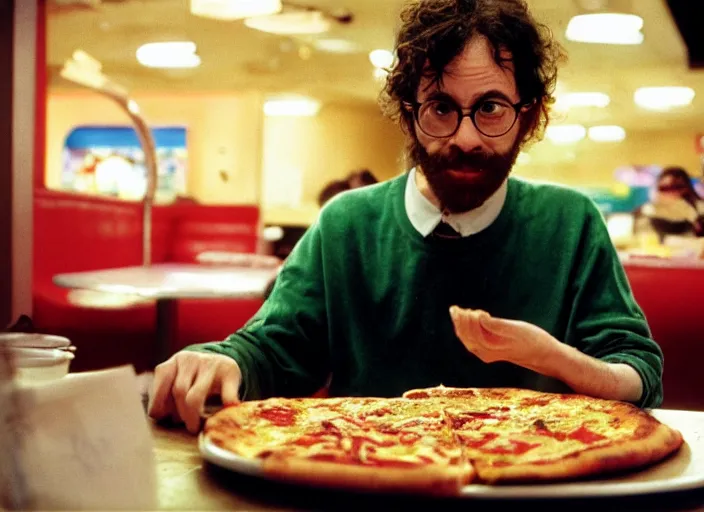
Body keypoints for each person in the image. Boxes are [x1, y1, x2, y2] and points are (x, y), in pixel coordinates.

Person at [150, 0, 664, 434]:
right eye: (441, 107)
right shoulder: (346, 224)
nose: (465, 138)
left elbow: (641, 375)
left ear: (526, 115)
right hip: (365, 480)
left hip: (533, 491)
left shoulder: (570, 223)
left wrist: (552, 358)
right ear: (407, 113)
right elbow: (275, 351)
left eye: (490, 108)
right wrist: (224, 361)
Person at [636, 167, 704, 241]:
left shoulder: (699, 208)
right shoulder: (649, 210)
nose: (671, 192)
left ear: (687, 187)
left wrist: (693, 216)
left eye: (677, 187)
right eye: (664, 188)